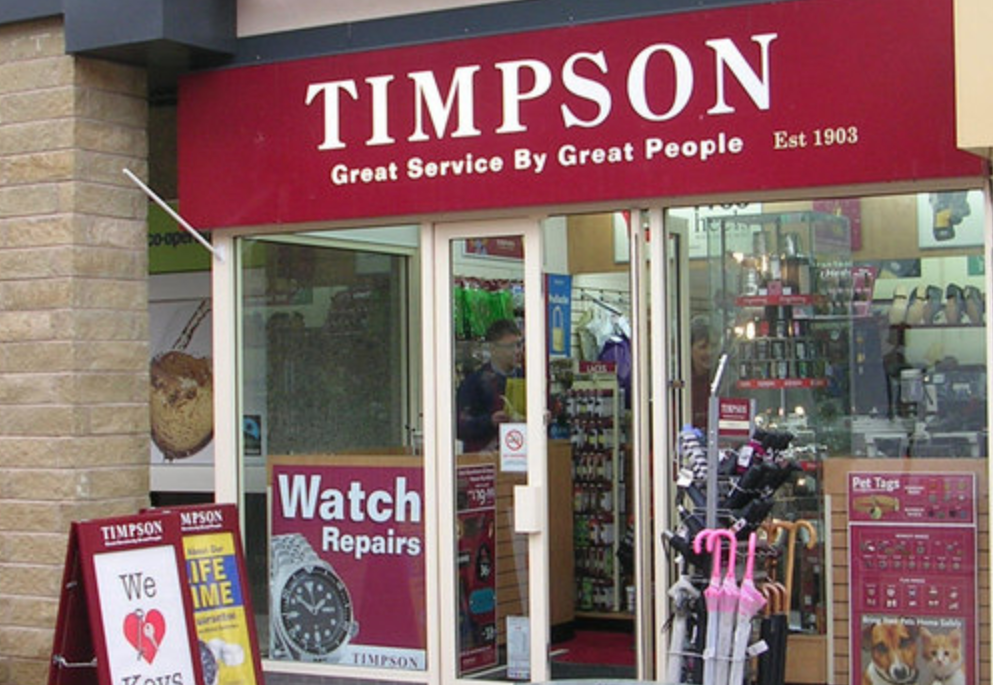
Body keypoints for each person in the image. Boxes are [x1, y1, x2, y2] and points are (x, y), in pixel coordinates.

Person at [457, 319, 523, 452]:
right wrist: (490, 421)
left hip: (522, 452)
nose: (517, 351)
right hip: (484, 459)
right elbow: (459, 426)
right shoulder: (473, 383)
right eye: (510, 346)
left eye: (519, 345)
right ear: (493, 349)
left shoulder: (529, 378)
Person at [690, 317, 713, 430]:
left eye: (713, 345)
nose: (709, 352)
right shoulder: (683, 383)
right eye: (703, 347)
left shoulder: (726, 380)